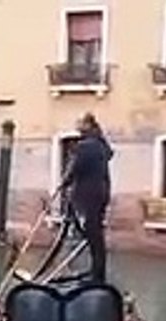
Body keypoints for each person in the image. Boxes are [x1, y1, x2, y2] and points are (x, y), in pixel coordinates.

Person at [58, 112, 114, 283]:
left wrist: (63, 183)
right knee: (95, 235)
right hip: (102, 193)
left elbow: (75, 169)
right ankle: (97, 272)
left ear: (88, 125)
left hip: (88, 195)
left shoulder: (84, 147)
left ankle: (97, 275)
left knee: (93, 235)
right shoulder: (101, 144)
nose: (77, 125)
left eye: (80, 122)